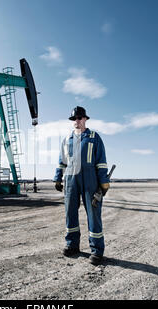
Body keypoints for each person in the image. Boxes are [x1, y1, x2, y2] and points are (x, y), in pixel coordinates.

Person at [53, 106, 110, 265]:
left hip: (90, 179)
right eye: (74, 119)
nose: (76, 121)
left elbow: (101, 161)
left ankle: (97, 251)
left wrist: (103, 181)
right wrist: (58, 178)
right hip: (71, 179)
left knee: (93, 214)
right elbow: (62, 162)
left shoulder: (94, 137)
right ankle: (72, 245)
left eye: (79, 118)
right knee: (70, 212)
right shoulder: (67, 140)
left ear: (85, 119)